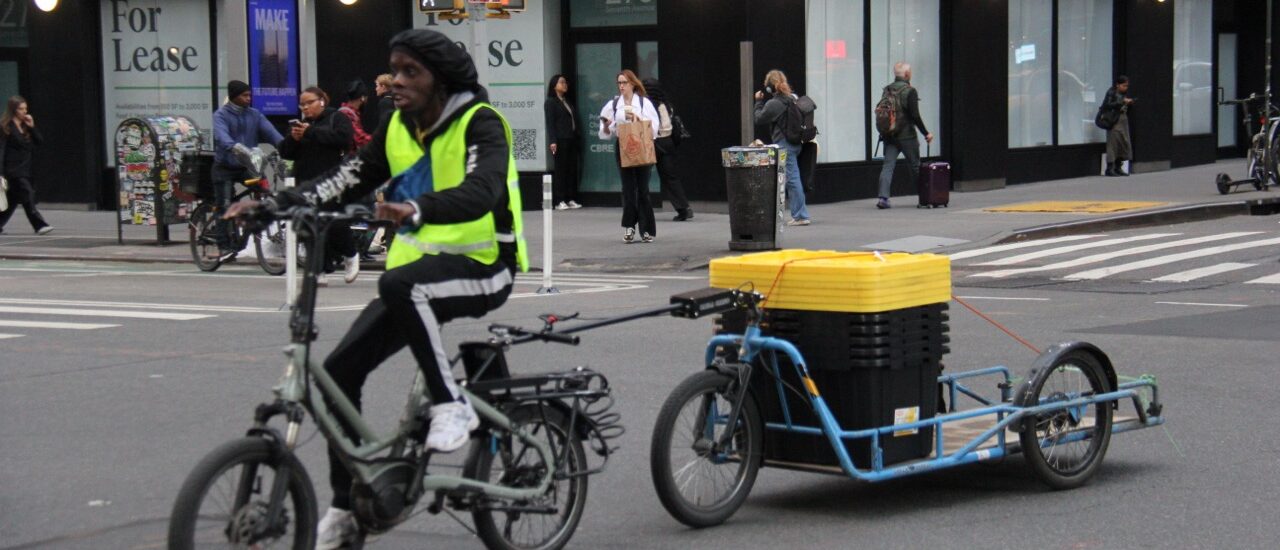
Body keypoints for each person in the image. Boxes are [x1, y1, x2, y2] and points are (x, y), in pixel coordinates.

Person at [225, 29, 527, 549]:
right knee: (338, 374)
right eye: (394, 70)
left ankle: (450, 404)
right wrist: (279, 203)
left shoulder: (481, 123)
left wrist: (418, 207)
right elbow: (351, 176)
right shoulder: (396, 126)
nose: (396, 82)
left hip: (485, 263)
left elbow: (483, 190)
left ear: (441, 79)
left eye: (411, 72)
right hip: (413, 278)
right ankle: (346, 509)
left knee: (400, 283)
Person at [278, 86, 359, 284]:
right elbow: (286, 152)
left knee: (335, 223)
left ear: (322, 100)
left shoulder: (336, 118)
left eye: (309, 102)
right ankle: (319, 269)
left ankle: (350, 255)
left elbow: (344, 140)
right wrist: (294, 139)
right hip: (305, 180)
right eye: (302, 104)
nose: (305, 108)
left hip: (332, 179)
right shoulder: (300, 124)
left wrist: (311, 132)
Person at [212, 80, 284, 256]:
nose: (249, 98)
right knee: (225, 204)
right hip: (225, 166)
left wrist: (285, 147)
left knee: (263, 193)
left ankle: (251, 229)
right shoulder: (221, 115)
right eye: (245, 95)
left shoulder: (255, 115)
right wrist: (235, 147)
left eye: (250, 95)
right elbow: (223, 137)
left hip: (247, 166)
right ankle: (223, 244)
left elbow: (272, 134)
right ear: (234, 97)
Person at [598, 69, 659, 243]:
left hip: (640, 143)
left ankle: (646, 229)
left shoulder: (643, 102)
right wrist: (608, 126)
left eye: (624, 82)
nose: (622, 86)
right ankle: (629, 226)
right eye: (619, 83)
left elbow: (654, 127)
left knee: (643, 188)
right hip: (623, 145)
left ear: (632, 83)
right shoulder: (614, 104)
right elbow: (604, 132)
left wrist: (638, 120)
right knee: (628, 188)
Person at [753, 69, 811, 225]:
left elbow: (759, 118)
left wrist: (758, 102)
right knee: (791, 178)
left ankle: (800, 215)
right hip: (796, 143)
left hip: (784, 145)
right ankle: (798, 213)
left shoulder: (775, 103)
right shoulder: (793, 98)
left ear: (770, 88)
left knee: (792, 179)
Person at [875, 62, 933, 209]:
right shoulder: (910, 91)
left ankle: (883, 198)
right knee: (915, 166)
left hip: (889, 135)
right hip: (907, 136)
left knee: (888, 166)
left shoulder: (887, 90)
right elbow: (915, 115)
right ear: (907, 75)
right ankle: (924, 197)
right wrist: (926, 133)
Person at [642, 77, 693, 221]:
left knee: (643, 176)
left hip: (653, 142)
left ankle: (642, 209)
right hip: (668, 142)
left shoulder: (646, 105)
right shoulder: (666, 104)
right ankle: (684, 208)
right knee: (671, 177)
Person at [0, 96, 51, 235]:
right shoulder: (5, 126)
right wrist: (1, 172)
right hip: (12, 169)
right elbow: (1, 149)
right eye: (21, 109)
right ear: (13, 110)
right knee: (27, 194)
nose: (24, 112)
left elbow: (39, 141)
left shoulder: (25, 125)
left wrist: (32, 126)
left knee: (12, 200)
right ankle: (39, 225)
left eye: (25, 108)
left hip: (26, 168)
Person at [544, 74, 582, 210]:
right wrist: (552, 141)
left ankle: (570, 197)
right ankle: (559, 200)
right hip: (560, 140)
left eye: (565, 82)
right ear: (554, 85)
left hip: (571, 139)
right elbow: (550, 123)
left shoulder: (566, 101)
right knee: (561, 170)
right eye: (561, 82)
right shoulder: (550, 102)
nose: (564, 85)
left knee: (571, 169)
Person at [1102, 75, 1134, 177]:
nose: (1125, 88)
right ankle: (1110, 167)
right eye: (1124, 85)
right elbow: (1107, 105)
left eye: (1127, 86)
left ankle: (1118, 166)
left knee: (1123, 142)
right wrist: (1121, 101)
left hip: (1123, 119)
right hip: (1114, 120)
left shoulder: (1124, 93)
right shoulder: (1111, 92)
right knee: (1113, 143)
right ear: (1117, 85)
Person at [338, 80, 373, 153]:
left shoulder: (348, 112)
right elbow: (360, 139)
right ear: (362, 98)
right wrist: (380, 141)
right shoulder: (347, 114)